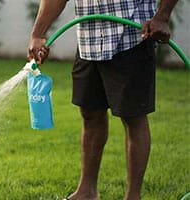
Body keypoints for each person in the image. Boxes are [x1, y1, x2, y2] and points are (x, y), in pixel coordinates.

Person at [27, 0, 179, 199]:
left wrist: (162, 16)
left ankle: (133, 196)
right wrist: (38, 33)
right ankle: (87, 191)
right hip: (89, 39)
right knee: (90, 113)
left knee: (133, 117)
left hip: (132, 36)